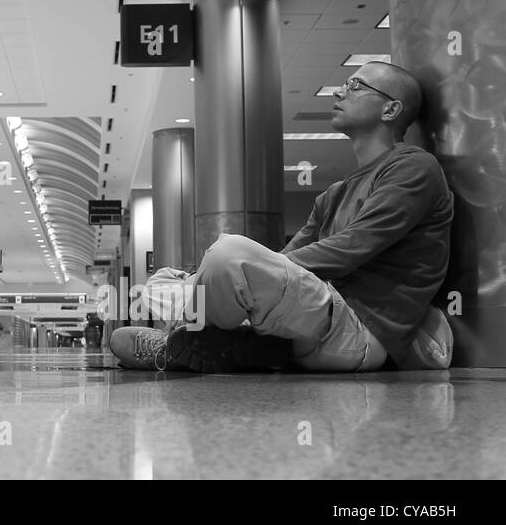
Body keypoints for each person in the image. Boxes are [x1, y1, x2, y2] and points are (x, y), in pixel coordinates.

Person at [111, 62, 454, 373]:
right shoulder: (333, 194)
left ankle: (199, 339)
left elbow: (351, 249)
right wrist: (211, 278)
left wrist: (231, 272)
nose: (340, 91)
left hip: (356, 332)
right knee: (162, 281)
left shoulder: (413, 167)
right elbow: (286, 261)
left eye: (356, 85)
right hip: (307, 320)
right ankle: (224, 342)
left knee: (229, 255)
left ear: (391, 109)